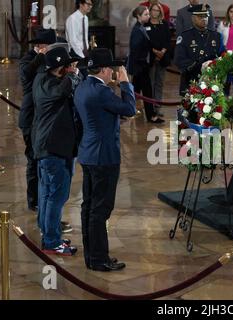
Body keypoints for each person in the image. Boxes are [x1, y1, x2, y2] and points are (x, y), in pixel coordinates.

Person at [74, 48, 136, 271]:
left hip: (88, 152)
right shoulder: (102, 92)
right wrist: (126, 84)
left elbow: (89, 118)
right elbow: (130, 108)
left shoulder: (82, 87)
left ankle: (91, 256)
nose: (114, 71)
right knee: (101, 209)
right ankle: (100, 259)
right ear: (103, 69)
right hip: (104, 157)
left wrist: (112, 121)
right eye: (112, 67)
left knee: (88, 206)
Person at [32, 47, 80, 256]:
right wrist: (74, 75)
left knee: (46, 193)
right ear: (61, 68)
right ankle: (51, 241)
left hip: (46, 147)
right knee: (56, 195)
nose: (72, 68)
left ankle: (47, 232)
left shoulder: (41, 78)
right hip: (53, 149)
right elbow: (62, 91)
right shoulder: (52, 86)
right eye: (68, 65)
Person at [19, 28, 56, 213]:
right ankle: (34, 200)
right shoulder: (28, 59)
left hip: (44, 119)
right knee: (33, 160)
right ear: (43, 46)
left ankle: (43, 198)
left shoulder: (49, 59)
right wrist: (40, 57)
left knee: (44, 159)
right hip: (30, 118)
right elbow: (26, 74)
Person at [175, 4, 224, 96]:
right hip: (191, 82)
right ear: (193, 18)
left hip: (212, 83)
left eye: (206, 16)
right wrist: (199, 65)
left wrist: (213, 64)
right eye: (200, 16)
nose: (204, 19)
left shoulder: (216, 36)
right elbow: (179, 60)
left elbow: (223, 56)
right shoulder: (185, 37)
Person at [127, 5, 164, 123]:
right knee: (146, 91)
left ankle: (124, 110)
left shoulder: (141, 27)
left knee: (134, 91)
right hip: (140, 67)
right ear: (138, 16)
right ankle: (151, 116)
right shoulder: (138, 30)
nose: (149, 16)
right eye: (146, 14)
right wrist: (142, 64)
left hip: (141, 66)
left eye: (148, 14)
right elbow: (135, 50)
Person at [146, 3, 171, 118]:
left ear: (160, 12)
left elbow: (168, 40)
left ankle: (158, 106)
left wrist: (162, 52)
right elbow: (145, 41)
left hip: (163, 57)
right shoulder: (146, 24)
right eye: (153, 10)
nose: (155, 12)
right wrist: (154, 51)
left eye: (157, 11)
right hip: (150, 57)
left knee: (159, 83)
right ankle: (150, 108)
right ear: (150, 11)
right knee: (150, 83)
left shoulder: (164, 24)